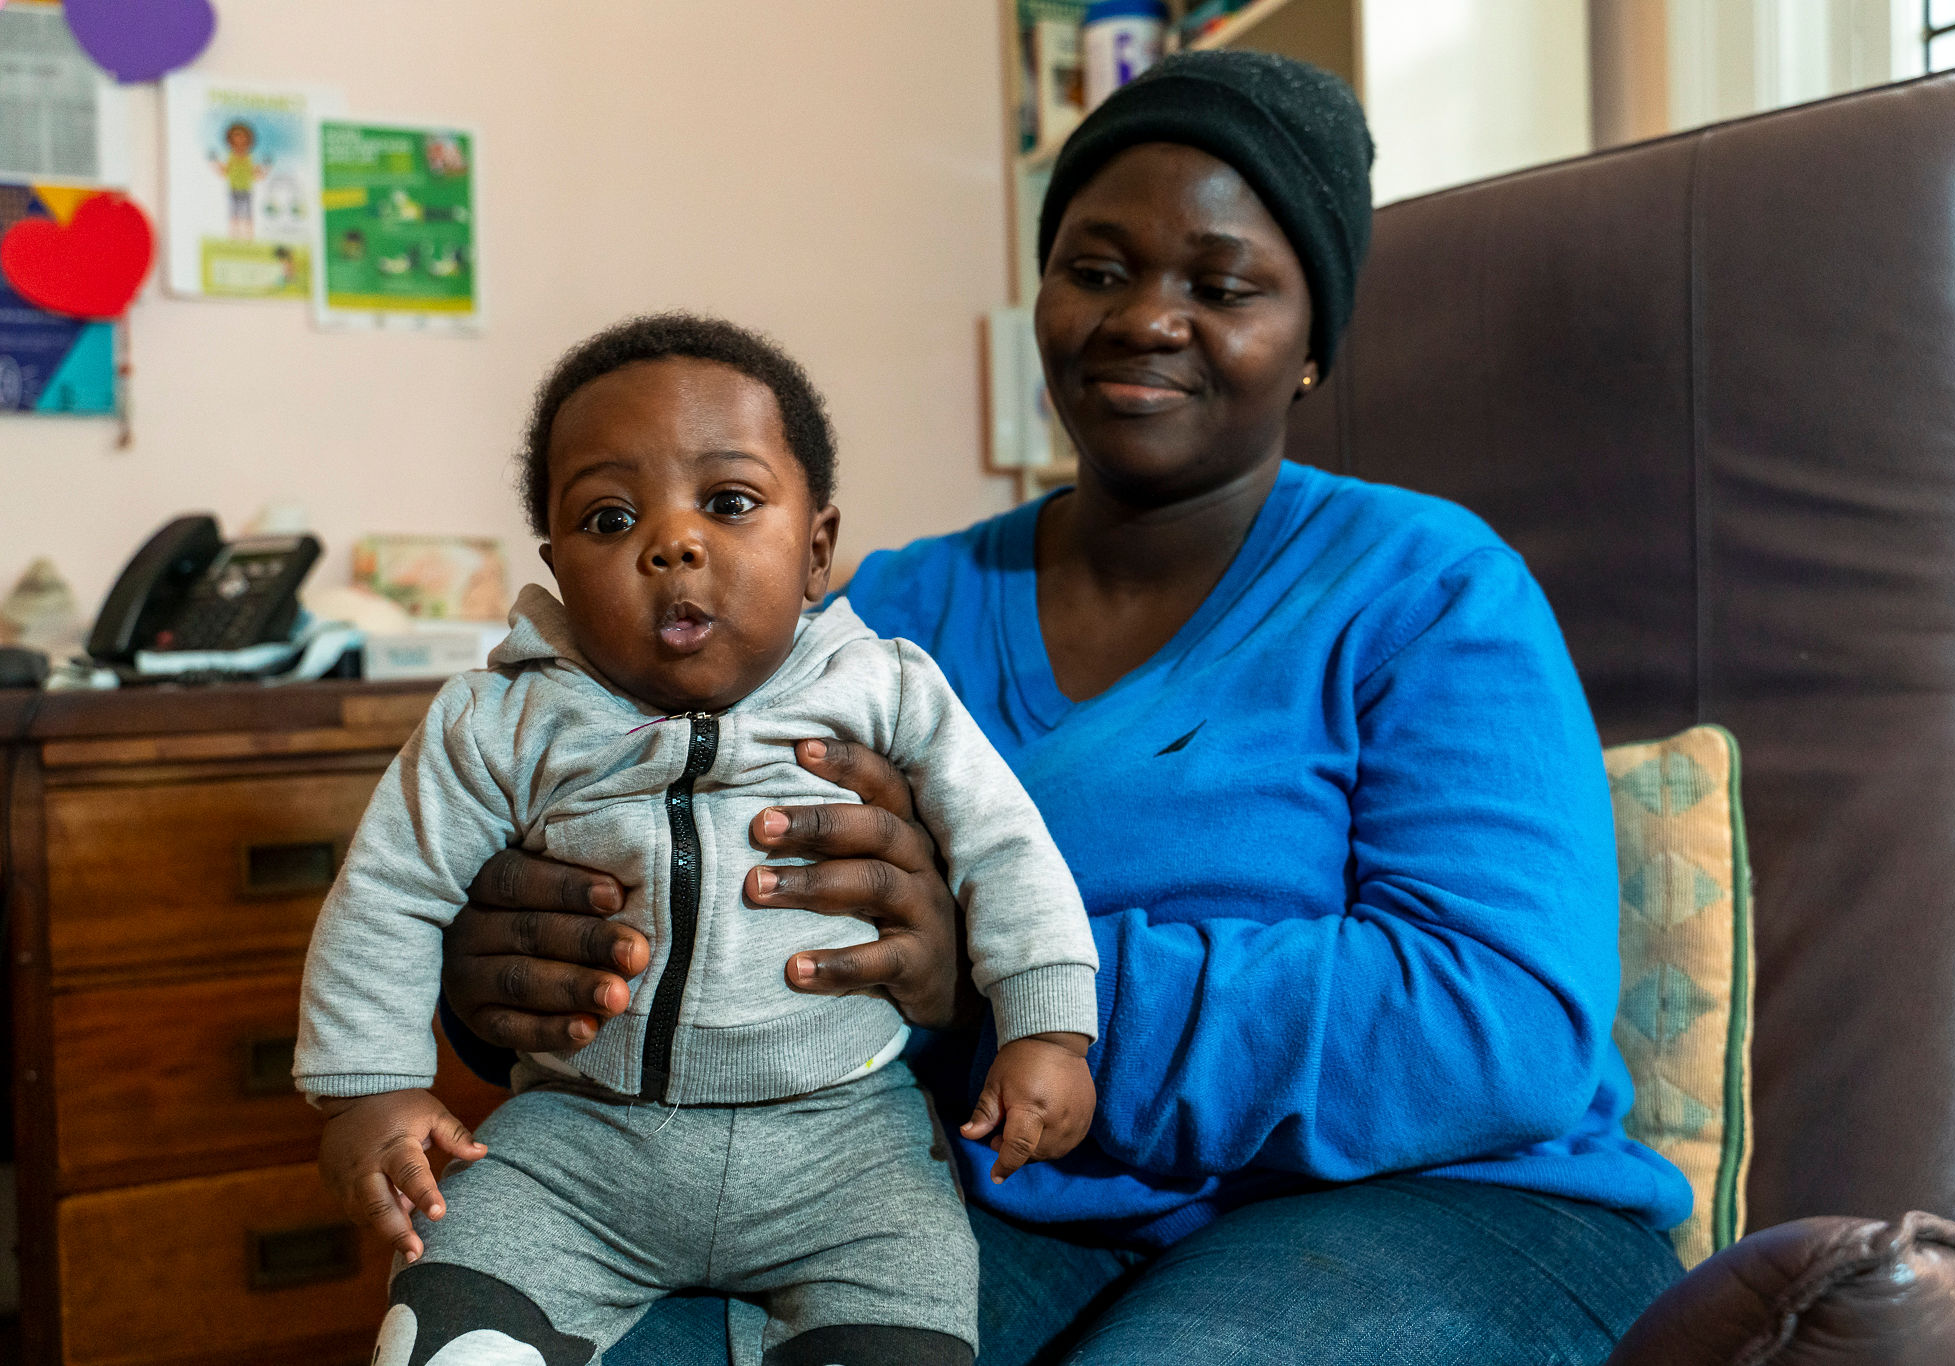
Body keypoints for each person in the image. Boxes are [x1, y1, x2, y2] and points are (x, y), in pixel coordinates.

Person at [429, 51, 1694, 1365]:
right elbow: (685, 864)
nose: (1147, 317)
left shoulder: (1428, 588)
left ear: (1314, 339)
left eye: (1222, 284)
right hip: (1004, 1196)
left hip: (1452, 1200)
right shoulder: (892, 610)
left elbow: (1504, 1022)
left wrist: (997, 989)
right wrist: (512, 975)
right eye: (1097, 268)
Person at [296, 314, 1100, 1366]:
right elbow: (392, 891)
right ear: (556, 568)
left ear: (815, 549)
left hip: (846, 1146)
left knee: (916, 1306)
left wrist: (1048, 1023)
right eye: (609, 516)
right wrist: (368, 1085)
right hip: (579, 1140)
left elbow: (1005, 847)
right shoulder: (498, 717)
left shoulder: (887, 687)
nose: (671, 542)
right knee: (442, 1322)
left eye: (727, 503)